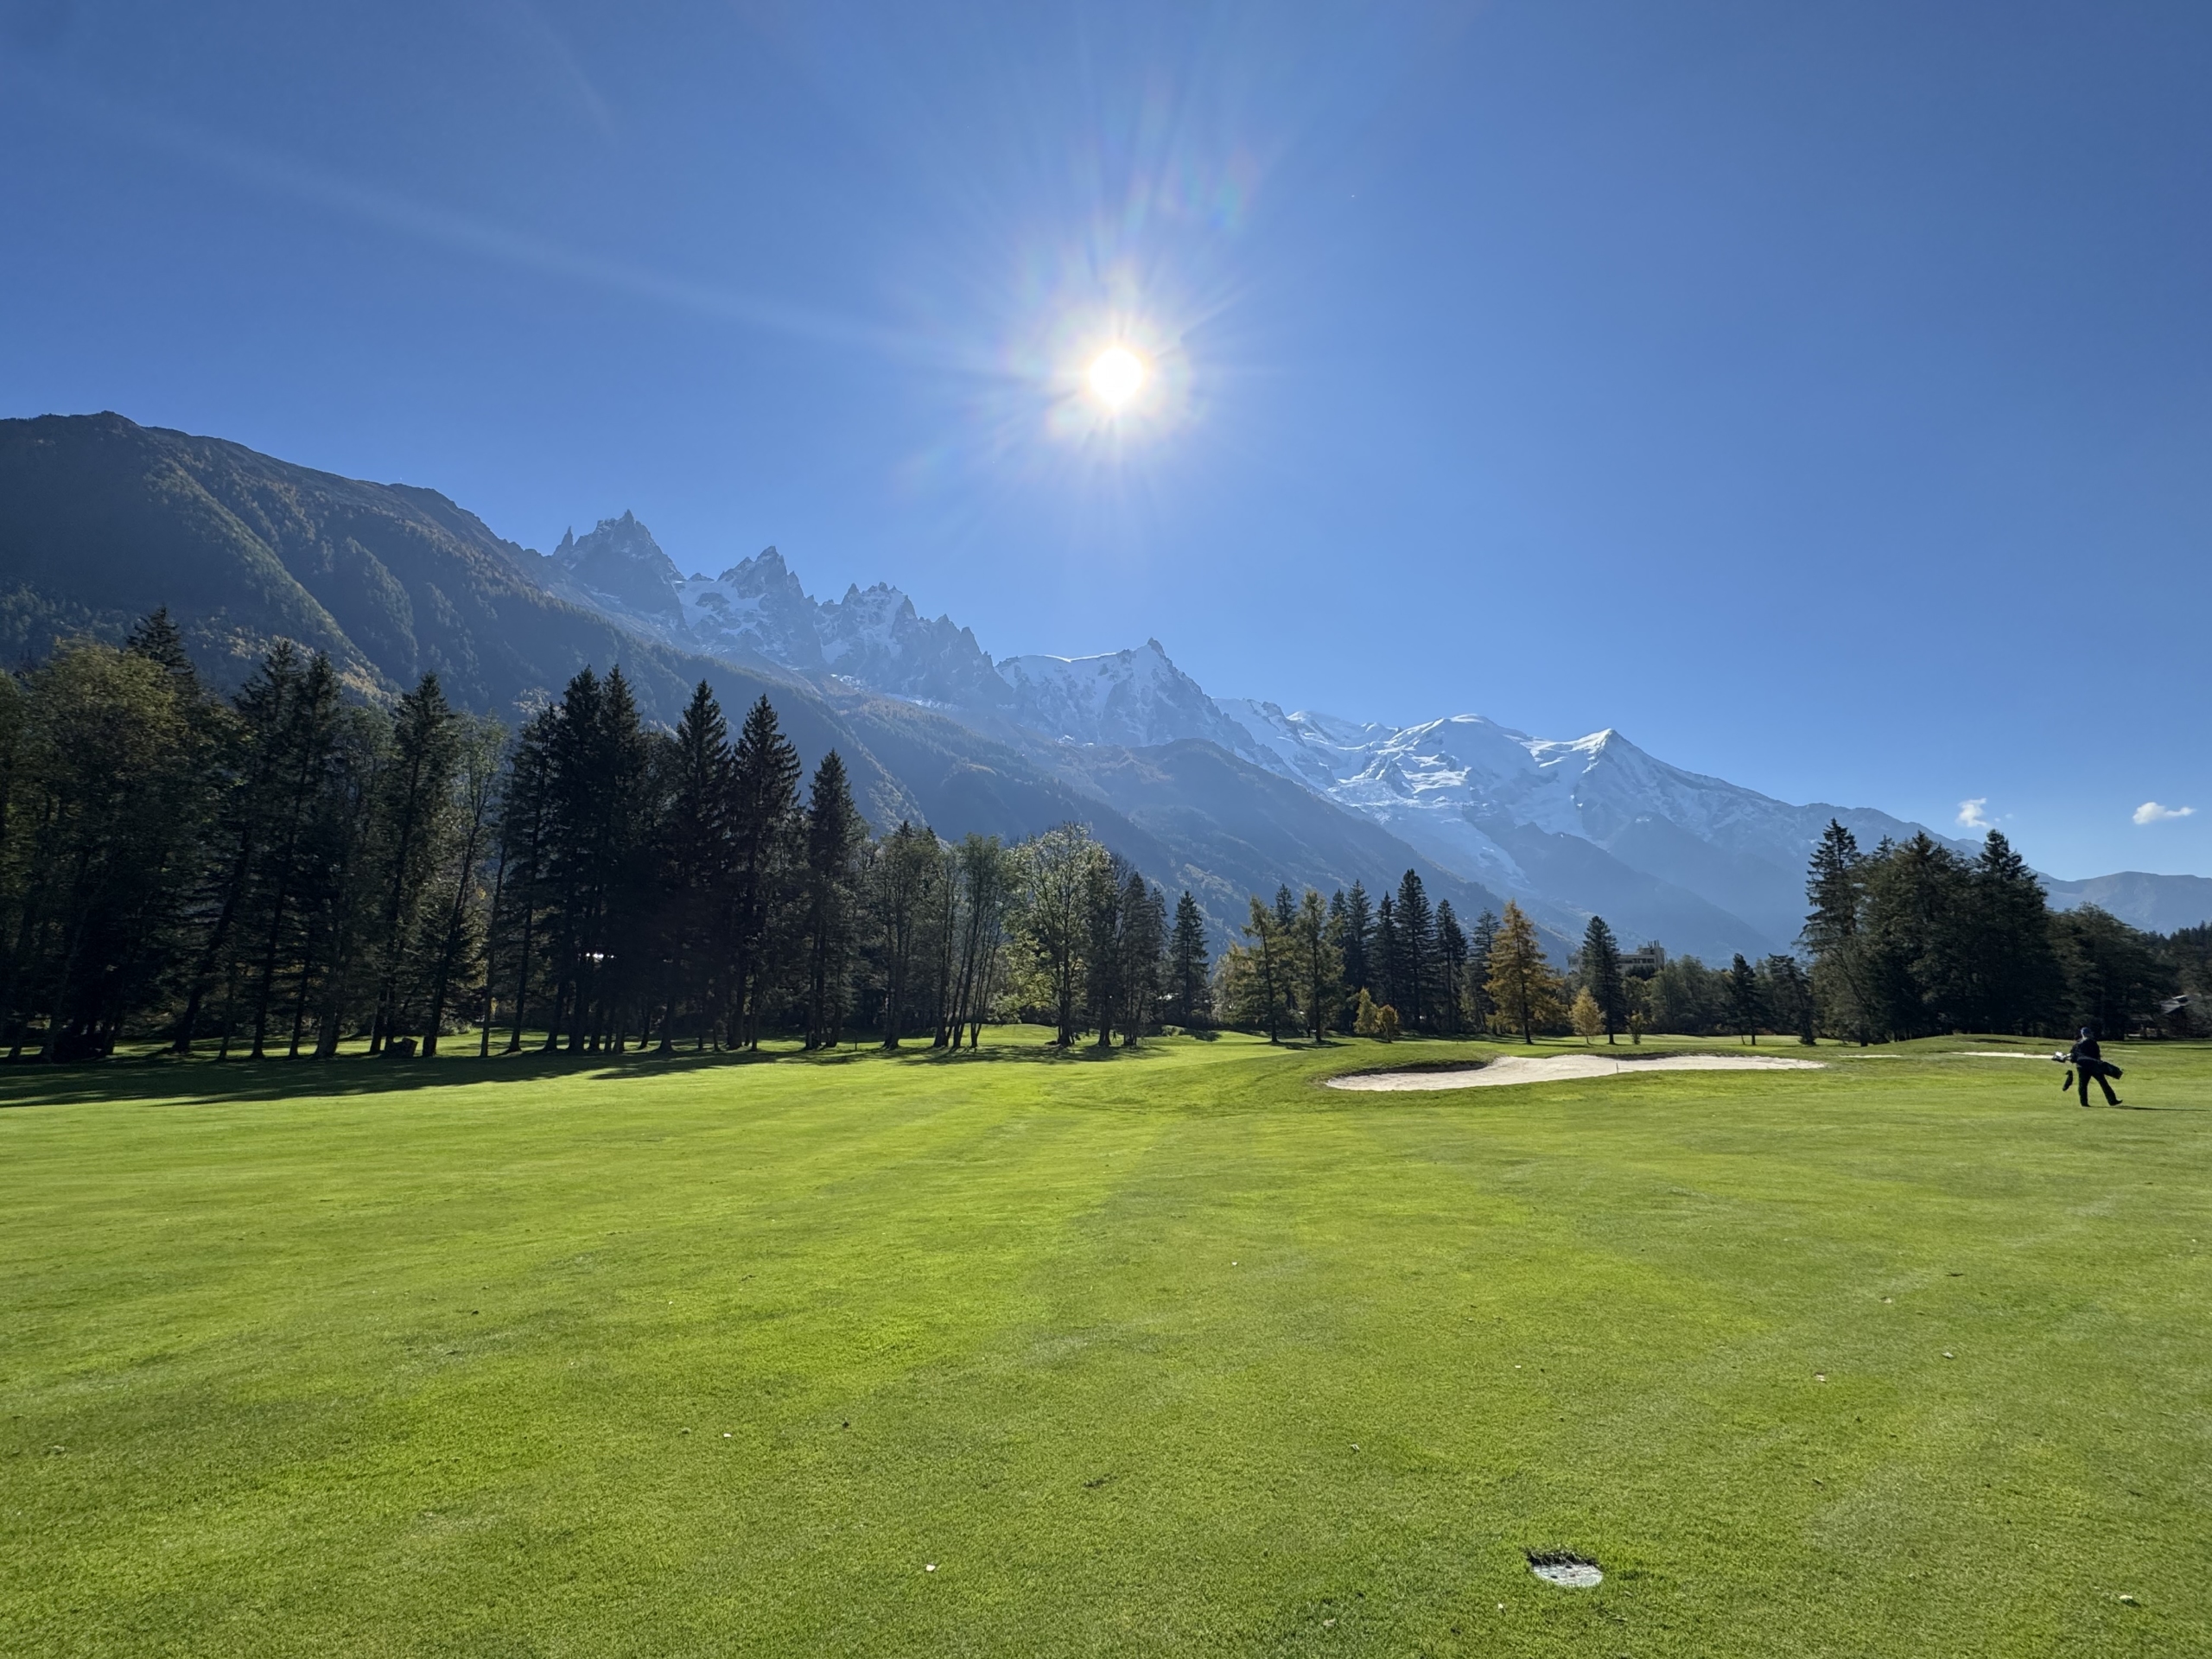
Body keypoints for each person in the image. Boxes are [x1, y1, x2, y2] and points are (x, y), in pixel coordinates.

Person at [2069, 1027, 2122, 1107]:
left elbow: (2073, 1056)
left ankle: (2084, 1103)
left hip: (2081, 1066)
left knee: (2083, 1085)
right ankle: (2112, 1100)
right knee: (2103, 1083)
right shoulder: (2093, 1043)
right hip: (2094, 1066)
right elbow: (2097, 1055)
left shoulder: (2077, 1044)